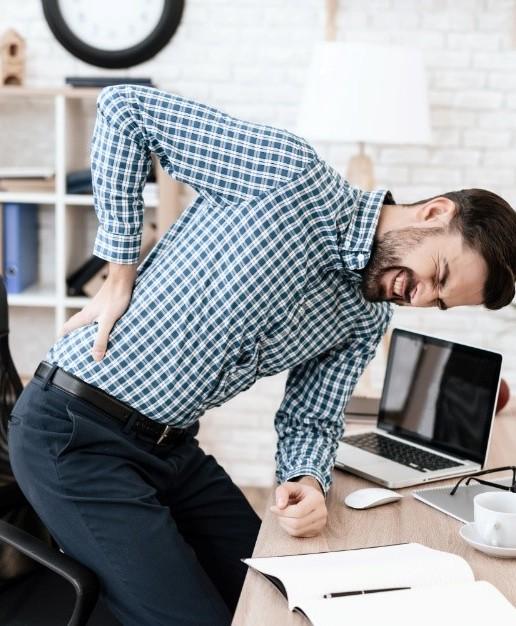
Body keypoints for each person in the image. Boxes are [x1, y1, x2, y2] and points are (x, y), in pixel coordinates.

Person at [8, 85, 516, 625]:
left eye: (438, 302)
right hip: (74, 432)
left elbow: (311, 418)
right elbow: (124, 110)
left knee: (281, 595)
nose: (419, 296)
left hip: (171, 449)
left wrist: (307, 480)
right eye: (438, 274)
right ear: (434, 212)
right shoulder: (288, 176)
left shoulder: (365, 316)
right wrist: (119, 271)